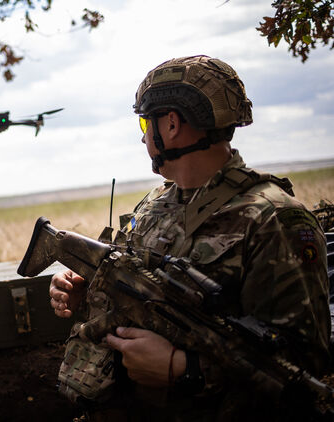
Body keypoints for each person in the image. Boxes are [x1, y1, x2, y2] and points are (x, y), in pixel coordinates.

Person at [49, 56, 330, 420]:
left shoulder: (274, 218)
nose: (143, 136)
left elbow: (304, 363)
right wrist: (89, 290)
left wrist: (185, 369)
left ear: (171, 124)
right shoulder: (154, 204)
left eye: (144, 122)